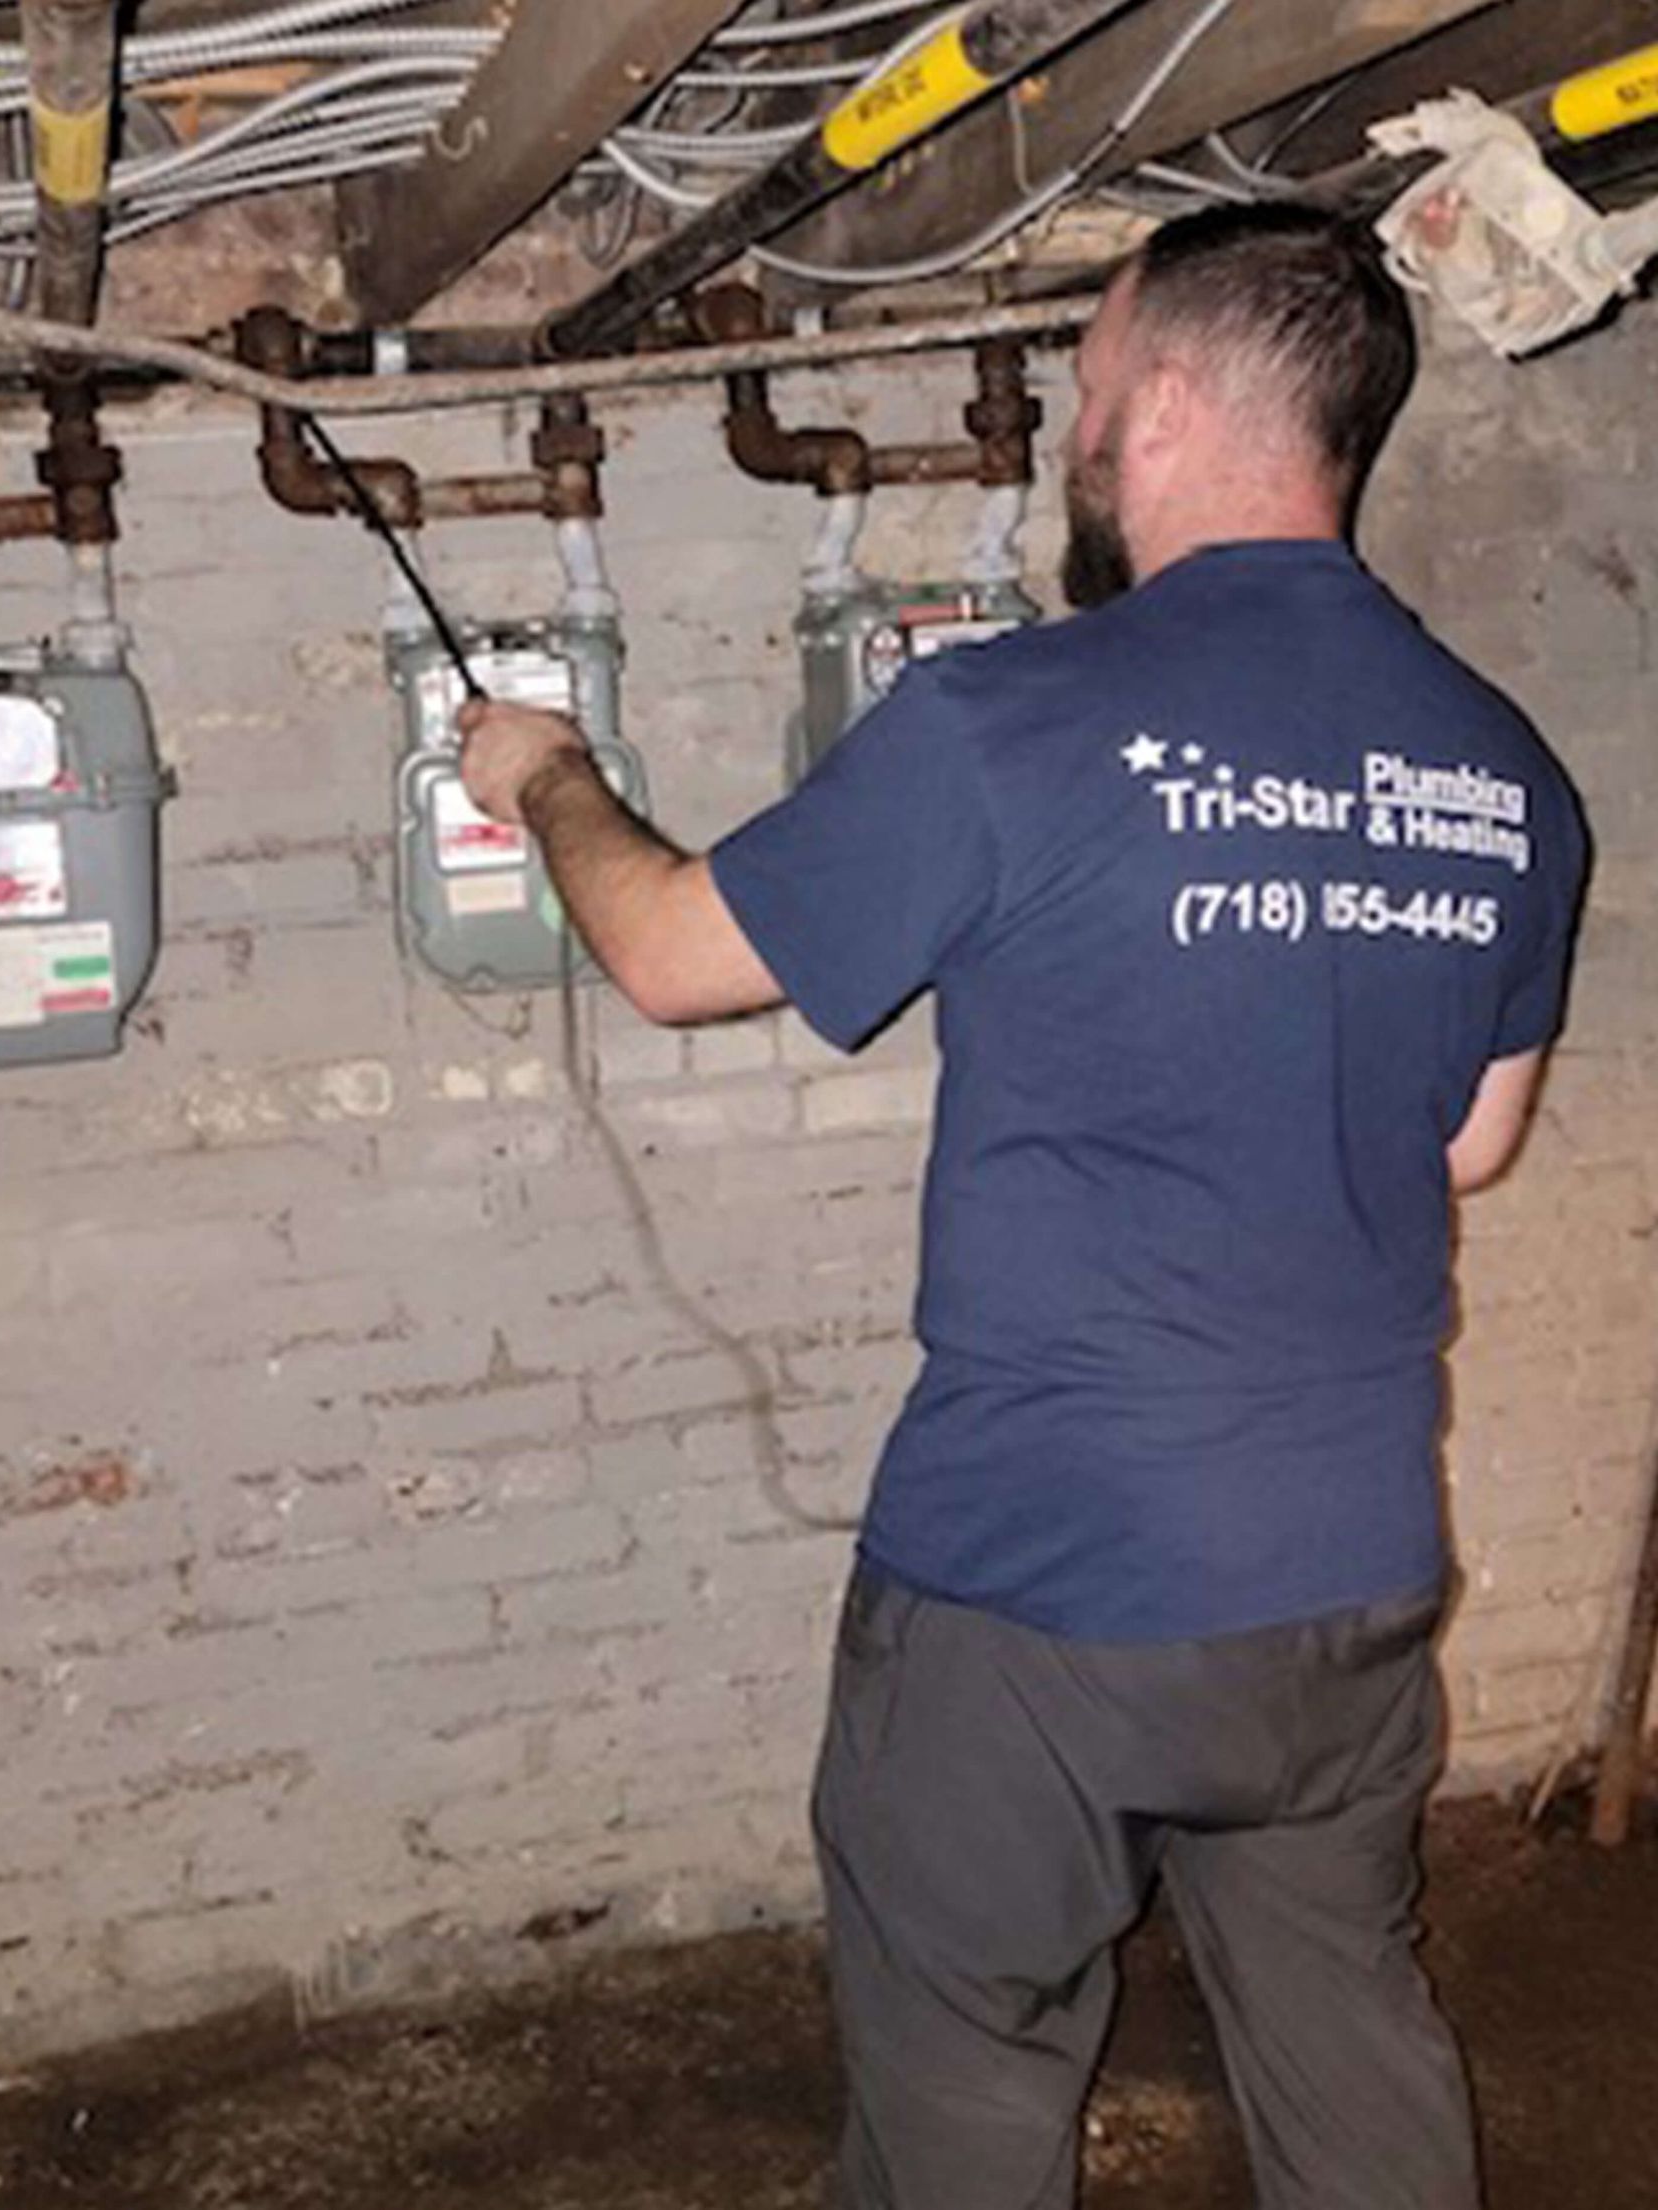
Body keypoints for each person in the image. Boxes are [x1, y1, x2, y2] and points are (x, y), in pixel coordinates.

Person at [458, 205, 1589, 2210]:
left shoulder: (1018, 721)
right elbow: (1468, 1144)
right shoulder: (1504, 777)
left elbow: (668, 950)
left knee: (967, 2082)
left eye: (1084, 384)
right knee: (1346, 2036)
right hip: (1344, 1574)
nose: (1077, 427)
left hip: (1040, 1581)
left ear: (1158, 405)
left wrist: (549, 774)